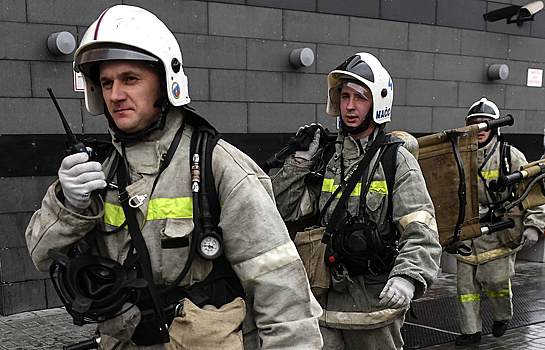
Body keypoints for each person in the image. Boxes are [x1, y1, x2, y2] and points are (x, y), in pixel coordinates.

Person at [25, 5, 323, 350]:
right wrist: (67, 204)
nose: (115, 94)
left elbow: (279, 286)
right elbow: (42, 257)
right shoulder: (96, 174)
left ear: (166, 81)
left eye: (130, 79)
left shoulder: (219, 165)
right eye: (106, 82)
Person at [272, 52, 442, 350]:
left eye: (360, 98)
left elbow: (422, 229)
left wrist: (407, 277)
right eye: (345, 96)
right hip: (324, 299)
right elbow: (284, 210)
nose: (349, 106)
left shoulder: (396, 160)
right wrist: (299, 163)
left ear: (377, 102)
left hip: (374, 307)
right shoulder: (325, 157)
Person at [455, 97, 545, 346]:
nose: (480, 130)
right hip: (467, 234)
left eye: (484, 124)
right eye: (474, 124)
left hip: (499, 232)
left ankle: (502, 316)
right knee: (465, 289)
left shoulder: (510, 156)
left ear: (494, 127)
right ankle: (470, 331)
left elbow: (533, 192)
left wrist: (533, 226)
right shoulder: (459, 156)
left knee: (496, 282)